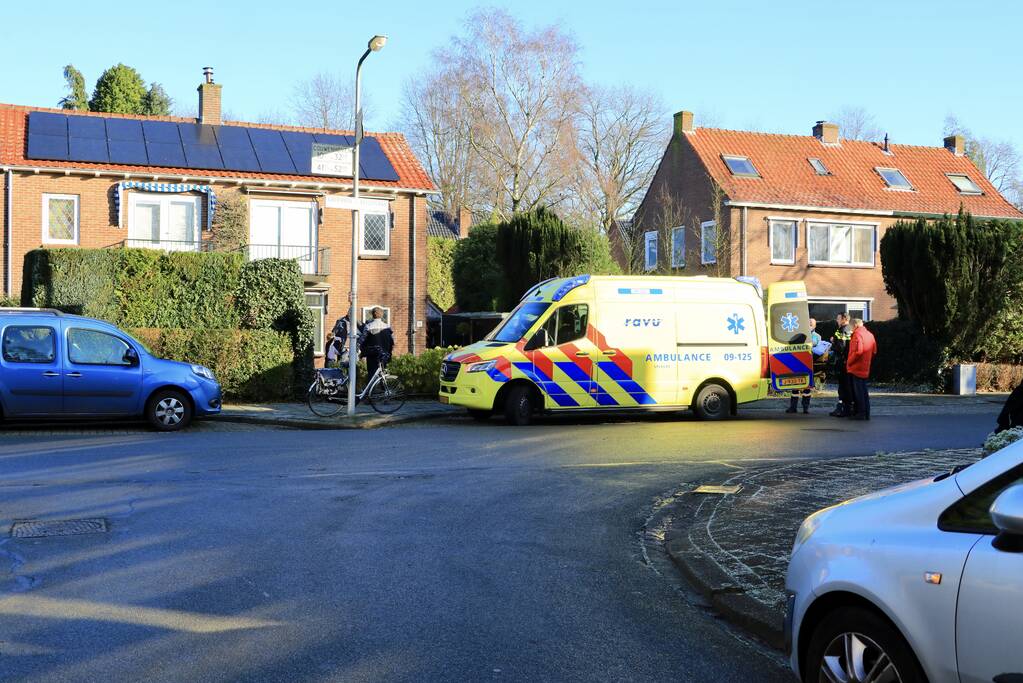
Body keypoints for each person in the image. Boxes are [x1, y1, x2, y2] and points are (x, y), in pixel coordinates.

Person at [787, 318, 822, 414]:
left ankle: (805, 408)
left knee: (807, 388)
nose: (810, 324)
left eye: (812, 323)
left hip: (809, 364)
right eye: (808, 322)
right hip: (798, 363)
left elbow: (819, 349)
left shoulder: (817, 336)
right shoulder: (799, 334)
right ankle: (793, 407)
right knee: (795, 385)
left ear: (815, 325)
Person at [846, 318, 877, 420]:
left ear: (855, 325)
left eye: (850, 326)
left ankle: (860, 413)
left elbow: (858, 351)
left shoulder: (857, 335)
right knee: (864, 390)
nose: (850, 328)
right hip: (865, 366)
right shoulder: (870, 334)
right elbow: (874, 350)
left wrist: (849, 361)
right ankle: (866, 412)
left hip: (856, 367)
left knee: (858, 391)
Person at [829, 313, 854, 417]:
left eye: (838, 318)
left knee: (843, 386)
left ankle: (843, 409)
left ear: (844, 319)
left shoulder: (842, 330)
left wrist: (833, 343)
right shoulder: (851, 329)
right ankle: (848, 408)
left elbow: (841, 347)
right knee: (848, 385)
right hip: (849, 361)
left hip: (842, 362)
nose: (837, 320)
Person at [361, 307, 394, 381]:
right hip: (384, 354)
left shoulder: (368, 326)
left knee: (371, 374)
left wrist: (361, 350)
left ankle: (371, 391)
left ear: (372, 315)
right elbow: (392, 341)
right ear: (382, 315)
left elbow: (362, 340)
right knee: (383, 374)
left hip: (372, 354)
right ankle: (383, 390)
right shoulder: (387, 327)